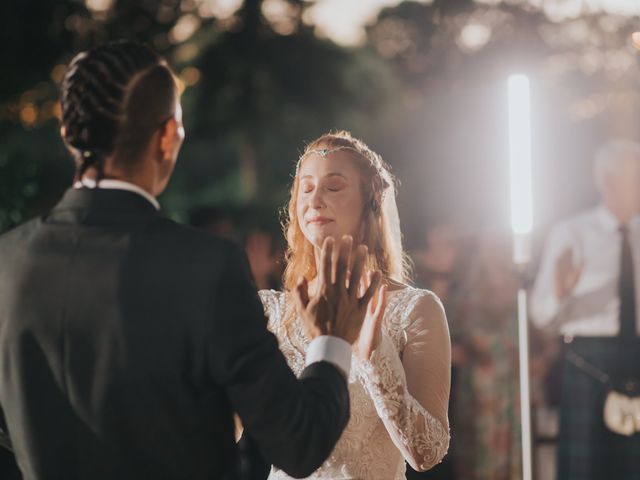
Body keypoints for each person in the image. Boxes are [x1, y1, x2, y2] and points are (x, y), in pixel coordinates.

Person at [0, 41, 381, 480]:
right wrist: (331, 339)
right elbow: (299, 443)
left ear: (67, 132)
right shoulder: (206, 267)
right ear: (167, 136)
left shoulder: (8, 260)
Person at [258, 131, 451, 479]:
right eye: (306, 187)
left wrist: (374, 354)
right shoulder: (270, 313)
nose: (315, 200)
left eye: (333, 187)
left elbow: (428, 453)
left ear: (371, 199)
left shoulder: (414, 309)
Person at [531, 139, 640, 480]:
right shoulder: (571, 233)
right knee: (587, 471)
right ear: (608, 181)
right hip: (588, 363)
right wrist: (562, 293)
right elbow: (542, 316)